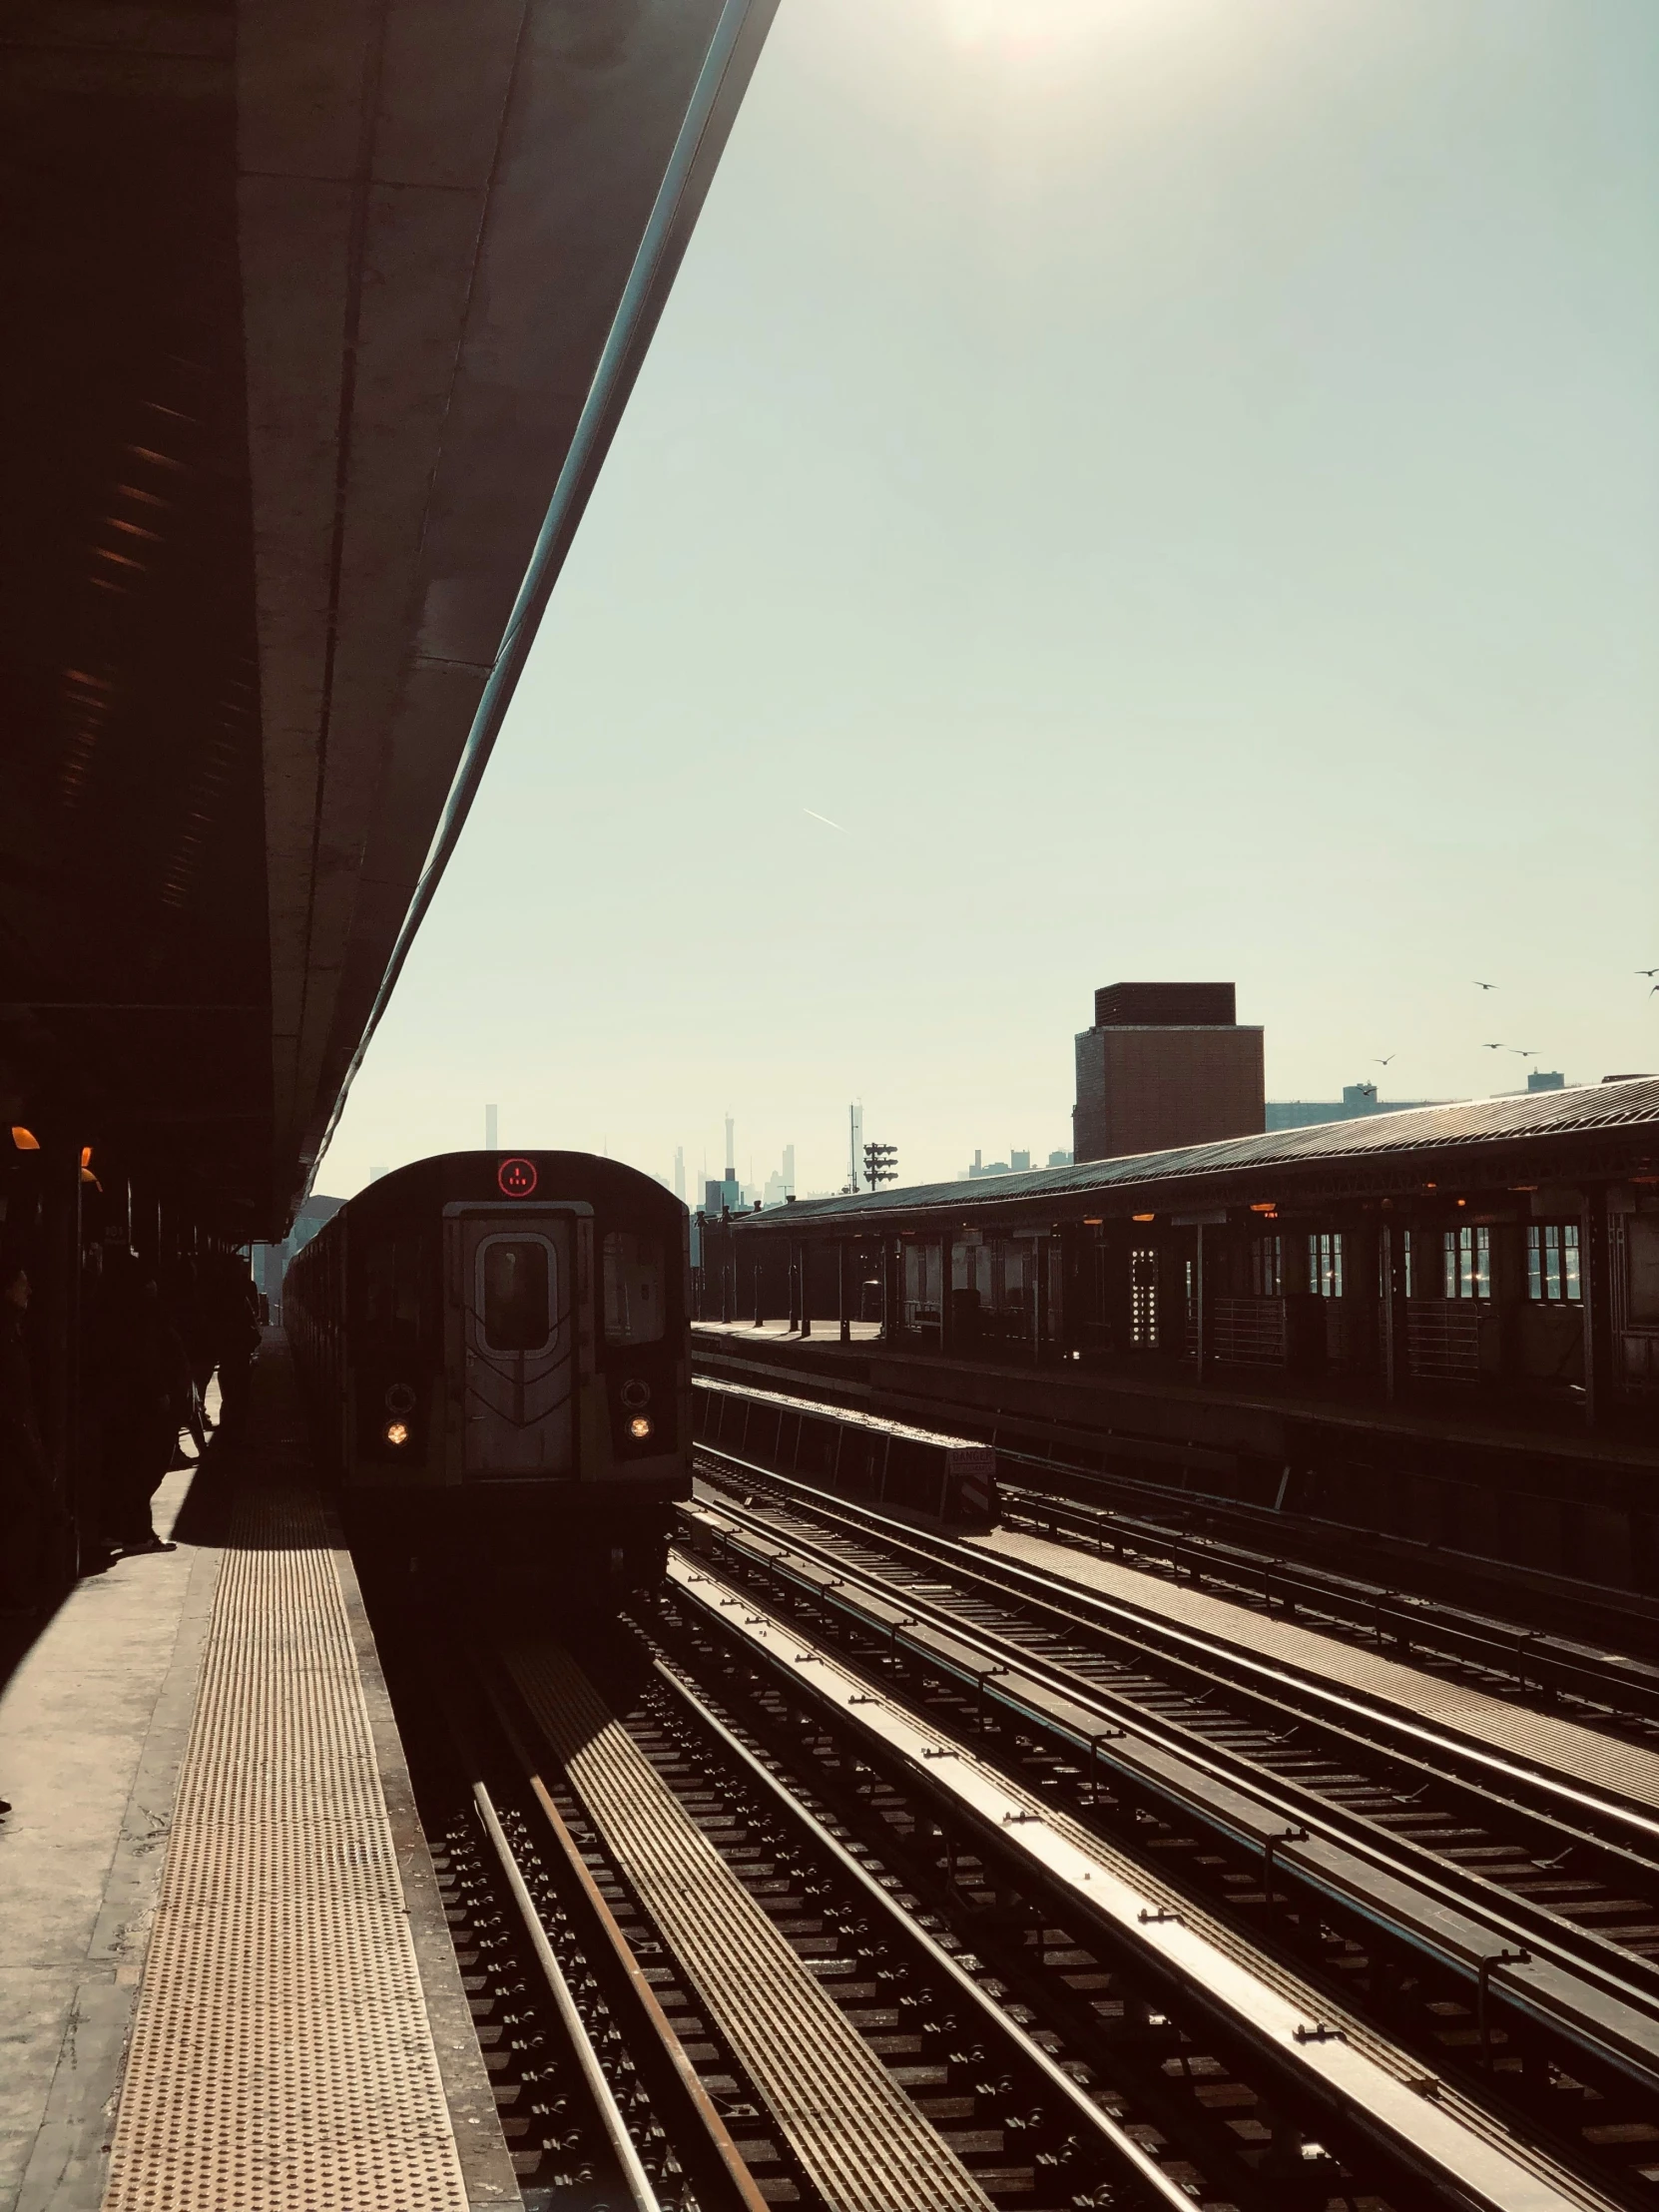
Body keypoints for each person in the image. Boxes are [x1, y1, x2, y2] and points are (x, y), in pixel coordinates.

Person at [101, 1269, 190, 1554]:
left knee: (136, 1471)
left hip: (143, 1407)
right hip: (151, 1410)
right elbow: (146, 1360)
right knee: (146, 1471)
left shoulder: (128, 1319)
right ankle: (137, 1532)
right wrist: (160, 1394)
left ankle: (123, 1529)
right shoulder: (142, 1321)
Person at [0, 1257, 52, 1612]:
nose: (29, 1290)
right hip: (10, 1441)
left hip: (14, 1437)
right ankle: (13, 1593)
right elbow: (15, 1402)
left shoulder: (14, 1328)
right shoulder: (8, 1334)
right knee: (24, 1509)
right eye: (22, 1283)